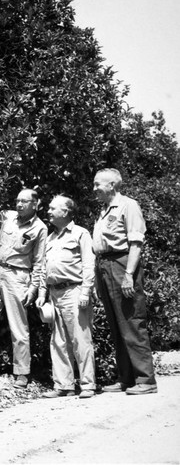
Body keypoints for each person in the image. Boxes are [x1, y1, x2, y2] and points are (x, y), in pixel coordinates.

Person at [0, 189, 48, 389]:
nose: (20, 204)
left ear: (35, 204)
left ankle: (22, 372)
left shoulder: (39, 229)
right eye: (18, 201)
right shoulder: (8, 217)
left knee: (18, 325)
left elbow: (40, 262)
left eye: (25, 201)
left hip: (18, 276)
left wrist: (34, 288)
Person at [93, 168, 157, 395]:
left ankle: (145, 379)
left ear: (112, 185)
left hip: (122, 265)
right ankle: (126, 378)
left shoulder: (128, 205)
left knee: (131, 320)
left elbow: (136, 242)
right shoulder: (103, 210)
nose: (94, 189)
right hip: (104, 266)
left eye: (98, 184)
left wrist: (129, 274)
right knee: (116, 324)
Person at [36, 195, 96, 399]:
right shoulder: (49, 238)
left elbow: (89, 264)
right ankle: (64, 386)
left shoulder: (81, 234)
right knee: (58, 341)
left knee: (80, 339)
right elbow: (43, 267)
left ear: (66, 212)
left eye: (53, 208)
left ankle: (88, 385)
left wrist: (86, 291)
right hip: (54, 294)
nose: (49, 211)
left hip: (74, 291)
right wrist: (42, 292)